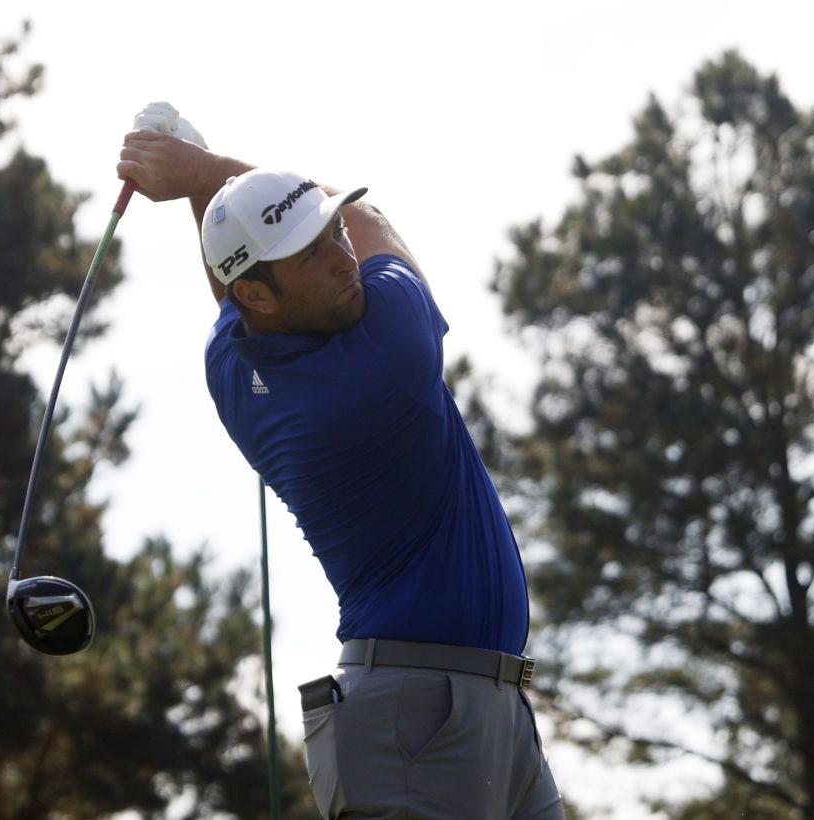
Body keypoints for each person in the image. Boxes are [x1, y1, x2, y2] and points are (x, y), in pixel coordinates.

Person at [117, 109, 564, 819]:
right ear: (262, 292)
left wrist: (206, 197)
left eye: (331, 231)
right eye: (313, 253)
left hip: (480, 713)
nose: (342, 256)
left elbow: (235, 287)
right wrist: (203, 173)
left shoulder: (233, 370)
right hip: (417, 721)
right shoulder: (389, 355)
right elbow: (375, 221)